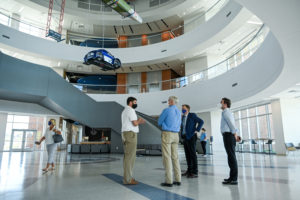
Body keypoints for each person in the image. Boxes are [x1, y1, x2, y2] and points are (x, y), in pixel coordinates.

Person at [158, 96, 181, 187]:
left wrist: (164, 124)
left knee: (167, 157)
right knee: (175, 157)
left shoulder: (167, 110)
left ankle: (169, 181)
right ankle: (178, 179)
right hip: (176, 135)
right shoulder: (179, 112)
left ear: (171, 101)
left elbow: (159, 122)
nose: (168, 102)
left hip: (167, 134)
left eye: (169, 100)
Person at [121, 97, 145, 185]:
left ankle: (127, 177)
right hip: (131, 135)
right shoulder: (130, 110)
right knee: (130, 158)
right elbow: (134, 123)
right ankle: (128, 179)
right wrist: (140, 121)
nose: (136, 103)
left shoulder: (124, 111)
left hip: (126, 134)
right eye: (135, 102)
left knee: (127, 157)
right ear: (130, 102)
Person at [220, 97, 240, 185]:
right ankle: (231, 177)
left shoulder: (226, 112)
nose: (220, 104)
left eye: (221, 102)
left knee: (232, 157)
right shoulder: (225, 112)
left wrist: (235, 135)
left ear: (225, 104)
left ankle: (234, 178)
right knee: (230, 157)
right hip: (227, 135)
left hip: (229, 135)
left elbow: (231, 124)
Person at [181, 104, 204, 178]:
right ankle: (189, 170)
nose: (182, 110)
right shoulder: (183, 117)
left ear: (187, 109)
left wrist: (197, 130)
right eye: (182, 108)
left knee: (193, 154)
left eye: (184, 108)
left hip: (191, 137)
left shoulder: (192, 115)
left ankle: (195, 172)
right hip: (185, 137)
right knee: (187, 154)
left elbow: (201, 121)